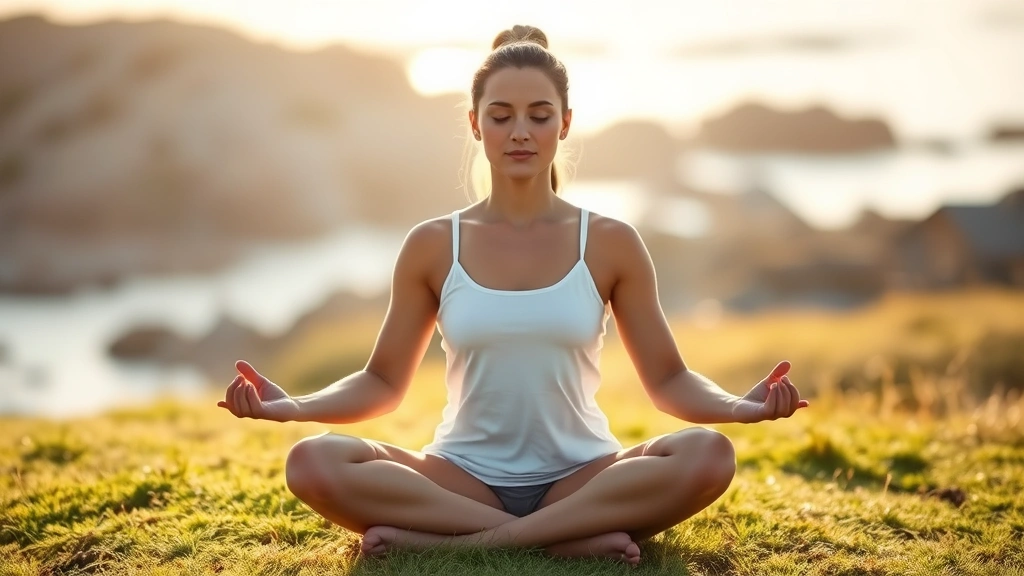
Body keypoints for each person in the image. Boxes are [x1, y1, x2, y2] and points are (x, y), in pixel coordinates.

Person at [217, 25, 809, 565]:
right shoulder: (432, 244)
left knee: (710, 454)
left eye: (539, 115)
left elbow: (670, 381)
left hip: (583, 474)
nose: (520, 131)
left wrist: (738, 407)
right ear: (475, 124)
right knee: (311, 462)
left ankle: (470, 542)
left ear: (566, 123)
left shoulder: (609, 242)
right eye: (500, 116)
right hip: (460, 478)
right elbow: (381, 383)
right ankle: (565, 541)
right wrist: (292, 407)